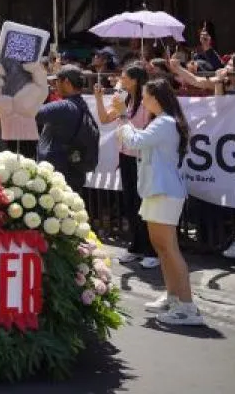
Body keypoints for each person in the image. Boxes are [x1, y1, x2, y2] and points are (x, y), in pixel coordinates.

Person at [109, 79, 204, 326]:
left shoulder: (164, 122)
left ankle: (187, 307)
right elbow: (136, 140)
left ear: (156, 98)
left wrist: (122, 116)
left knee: (169, 249)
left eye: (145, 97)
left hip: (164, 191)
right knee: (161, 247)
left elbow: (135, 141)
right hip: (157, 191)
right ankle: (173, 296)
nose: (143, 101)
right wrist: (123, 119)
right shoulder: (162, 121)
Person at [94, 63, 159, 269]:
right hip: (125, 156)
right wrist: (99, 98)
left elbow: (143, 130)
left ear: (135, 80)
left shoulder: (147, 101)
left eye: (124, 77)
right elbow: (105, 118)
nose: (120, 80)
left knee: (143, 203)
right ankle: (136, 246)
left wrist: (123, 114)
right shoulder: (123, 98)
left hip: (143, 157)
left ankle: (152, 250)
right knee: (130, 202)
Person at [34, 65, 92, 194]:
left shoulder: (63, 107)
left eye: (57, 81)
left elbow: (31, 113)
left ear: (66, 82)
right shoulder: (81, 104)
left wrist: (38, 92)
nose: (54, 85)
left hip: (58, 174)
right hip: (73, 170)